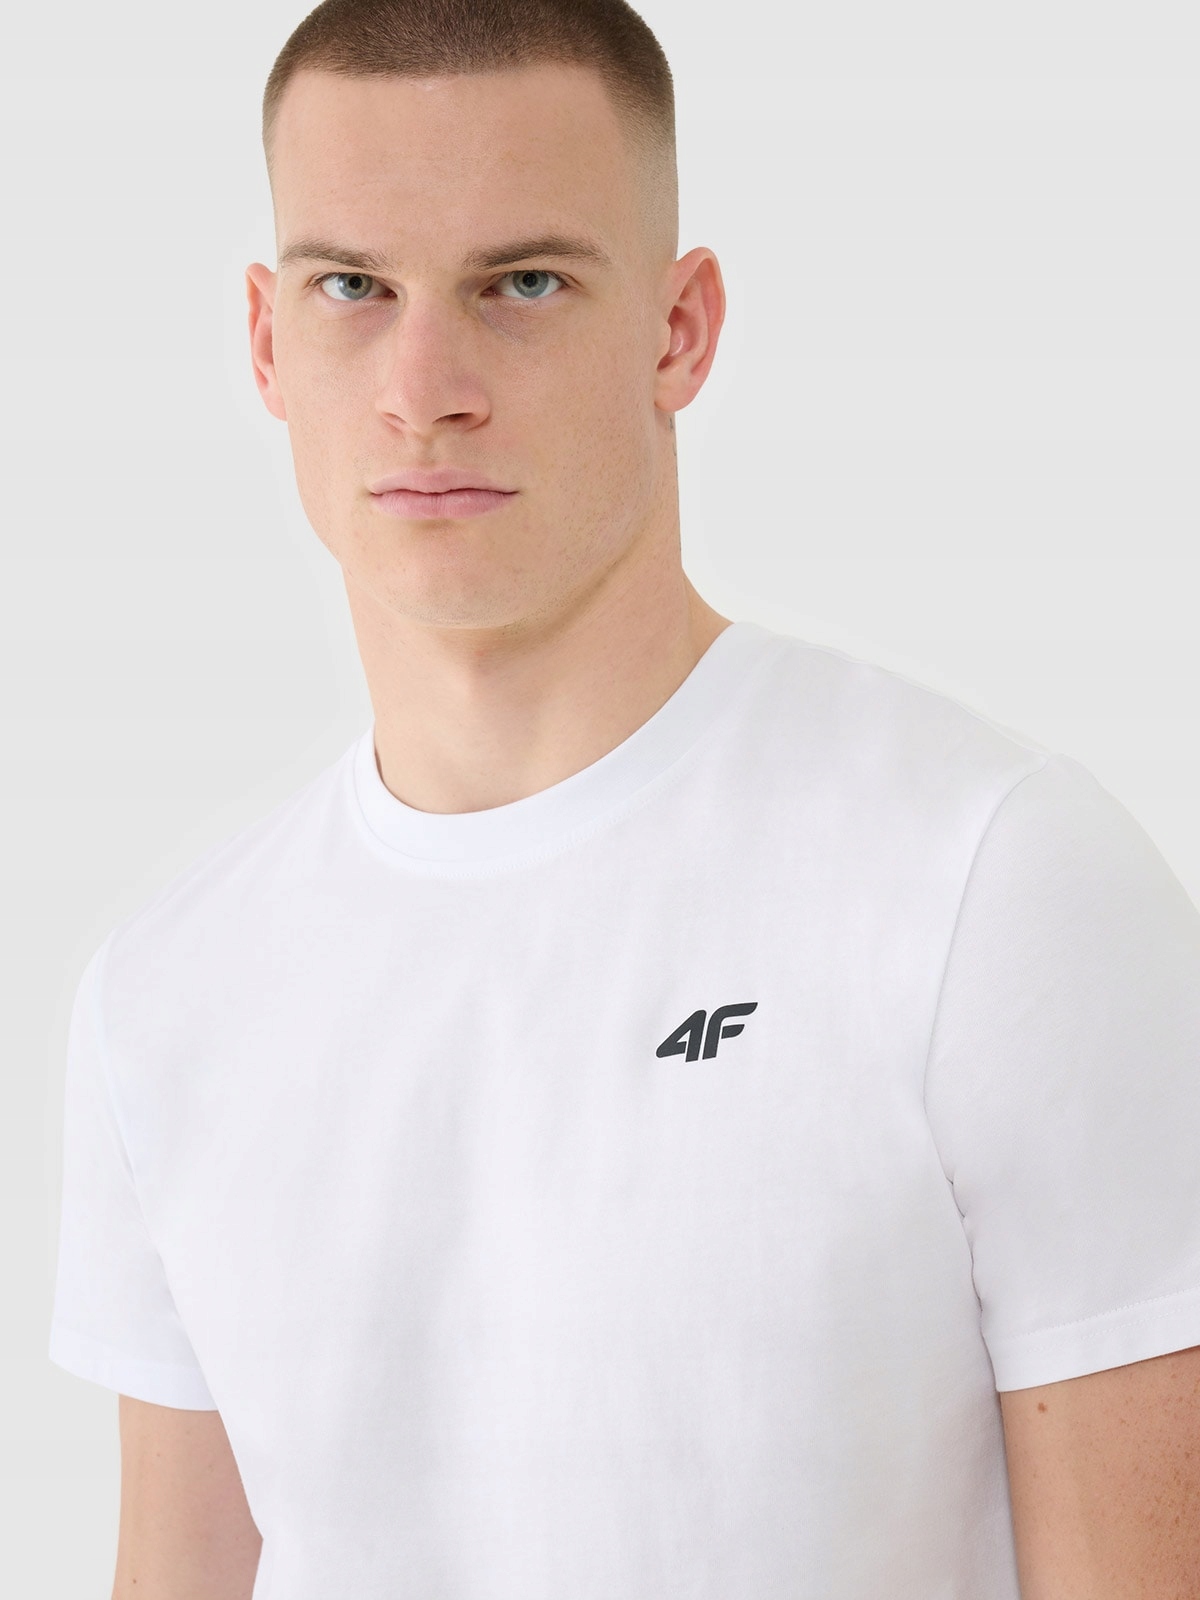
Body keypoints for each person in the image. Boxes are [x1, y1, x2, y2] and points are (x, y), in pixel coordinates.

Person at [48, 1, 1200, 1596]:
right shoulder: (166, 993)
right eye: (353, 289)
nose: (424, 388)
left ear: (680, 329)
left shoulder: (992, 886)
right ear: (265, 341)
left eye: (522, 284)